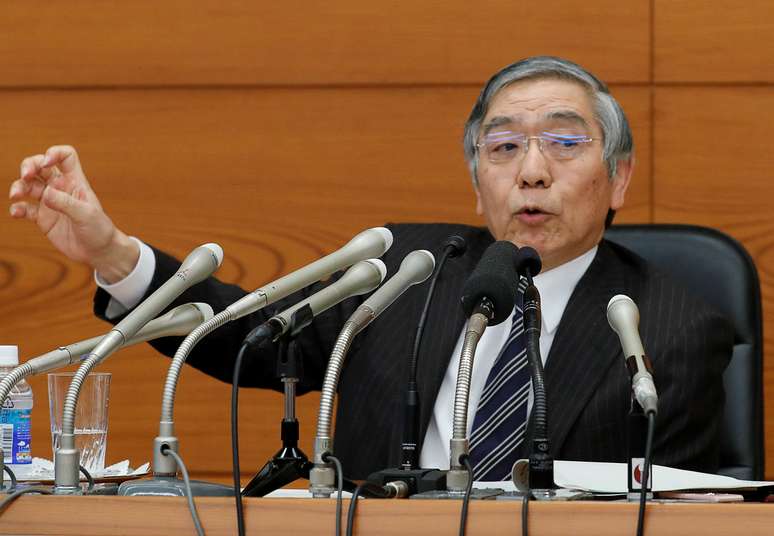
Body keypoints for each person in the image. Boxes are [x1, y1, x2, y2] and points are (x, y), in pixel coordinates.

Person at [9, 56, 732, 480]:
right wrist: (112, 253)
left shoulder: (669, 330)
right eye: (503, 147)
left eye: (565, 144)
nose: (532, 172)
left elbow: (677, 511)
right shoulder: (406, 268)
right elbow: (251, 335)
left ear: (621, 178)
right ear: (475, 181)